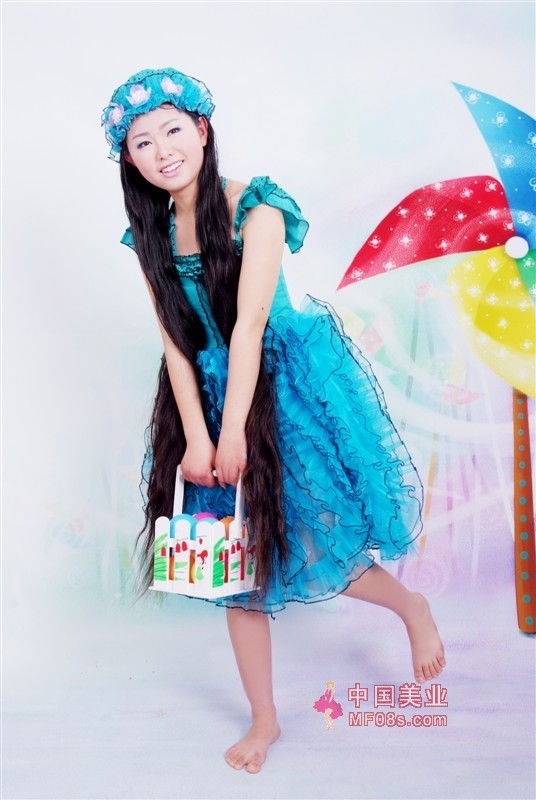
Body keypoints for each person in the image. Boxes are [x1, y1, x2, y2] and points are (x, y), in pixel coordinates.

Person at [101, 66, 446, 774]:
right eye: (143, 142)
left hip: (277, 390)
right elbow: (174, 342)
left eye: (173, 130)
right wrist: (197, 438)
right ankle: (265, 718)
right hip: (203, 397)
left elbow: (250, 326)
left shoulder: (256, 207)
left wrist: (234, 434)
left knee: (317, 535)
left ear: (202, 130)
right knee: (236, 564)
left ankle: (410, 605)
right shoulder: (150, 232)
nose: (163, 150)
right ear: (129, 159)